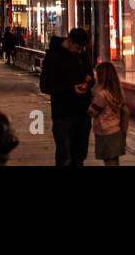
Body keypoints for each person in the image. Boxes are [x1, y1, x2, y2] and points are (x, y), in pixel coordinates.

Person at [39, 28, 94, 166]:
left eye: (82, 48)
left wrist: (89, 81)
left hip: (83, 112)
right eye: (78, 47)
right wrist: (71, 89)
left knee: (80, 156)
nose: (80, 51)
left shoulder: (82, 54)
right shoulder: (53, 56)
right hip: (63, 113)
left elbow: (90, 74)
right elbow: (45, 86)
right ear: (69, 41)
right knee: (65, 156)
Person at [88, 61, 128, 165]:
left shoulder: (102, 95)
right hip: (116, 130)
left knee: (109, 162)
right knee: (114, 161)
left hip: (104, 132)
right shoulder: (117, 92)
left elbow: (92, 112)